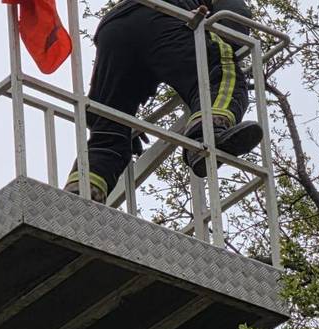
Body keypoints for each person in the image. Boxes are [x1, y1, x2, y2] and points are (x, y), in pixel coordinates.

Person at [65, 0, 262, 203]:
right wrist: (221, 42)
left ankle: (83, 187)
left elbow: (99, 105)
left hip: (113, 28)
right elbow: (233, 19)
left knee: (109, 127)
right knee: (221, 74)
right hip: (162, 17)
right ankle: (207, 133)